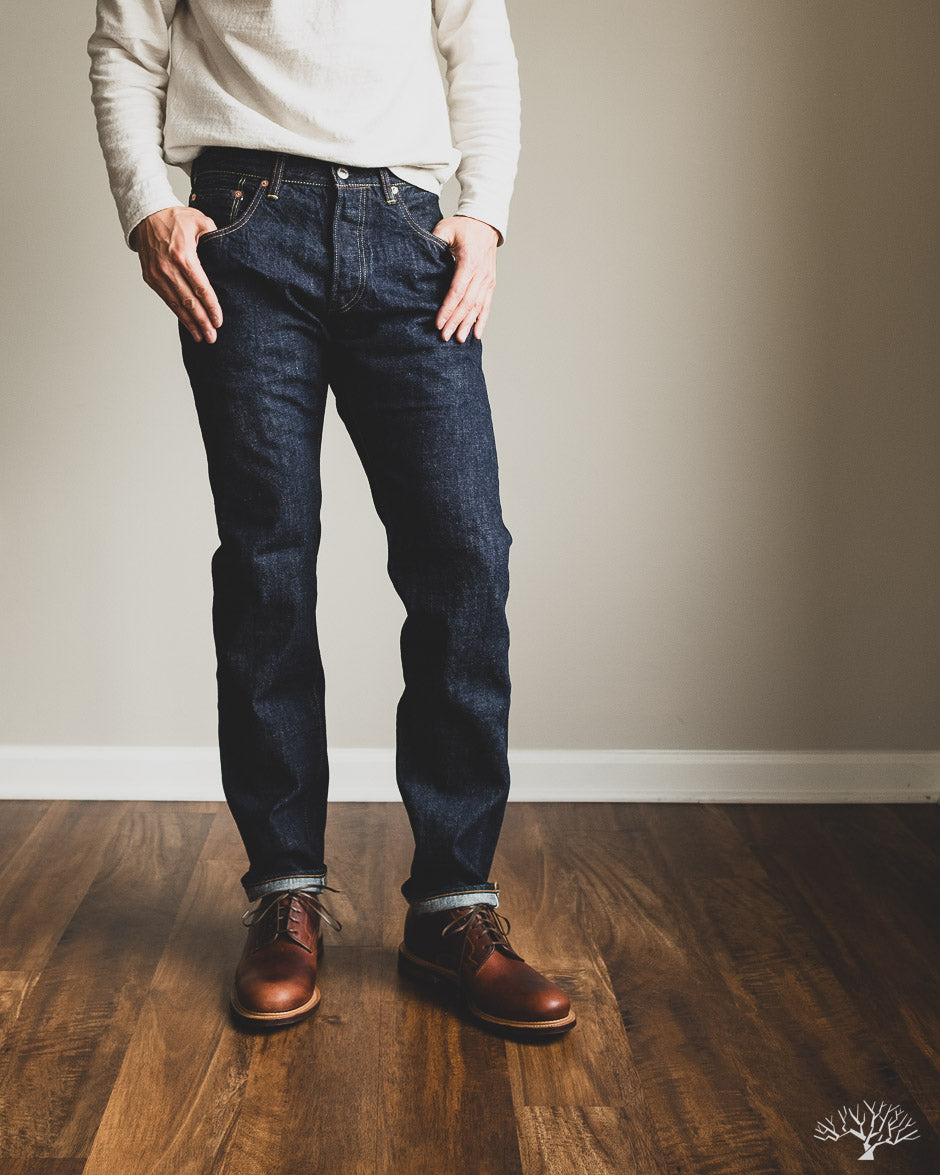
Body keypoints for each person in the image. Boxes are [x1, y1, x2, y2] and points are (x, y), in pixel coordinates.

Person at [86, 0, 575, 1038]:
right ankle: (284, 894)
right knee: (267, 561)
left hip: (406, 228)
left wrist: (485, 215)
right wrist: (146, 208)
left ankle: (451, 904)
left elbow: (478, 47)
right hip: (243, 227)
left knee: (464, 556)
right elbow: (125, 47)